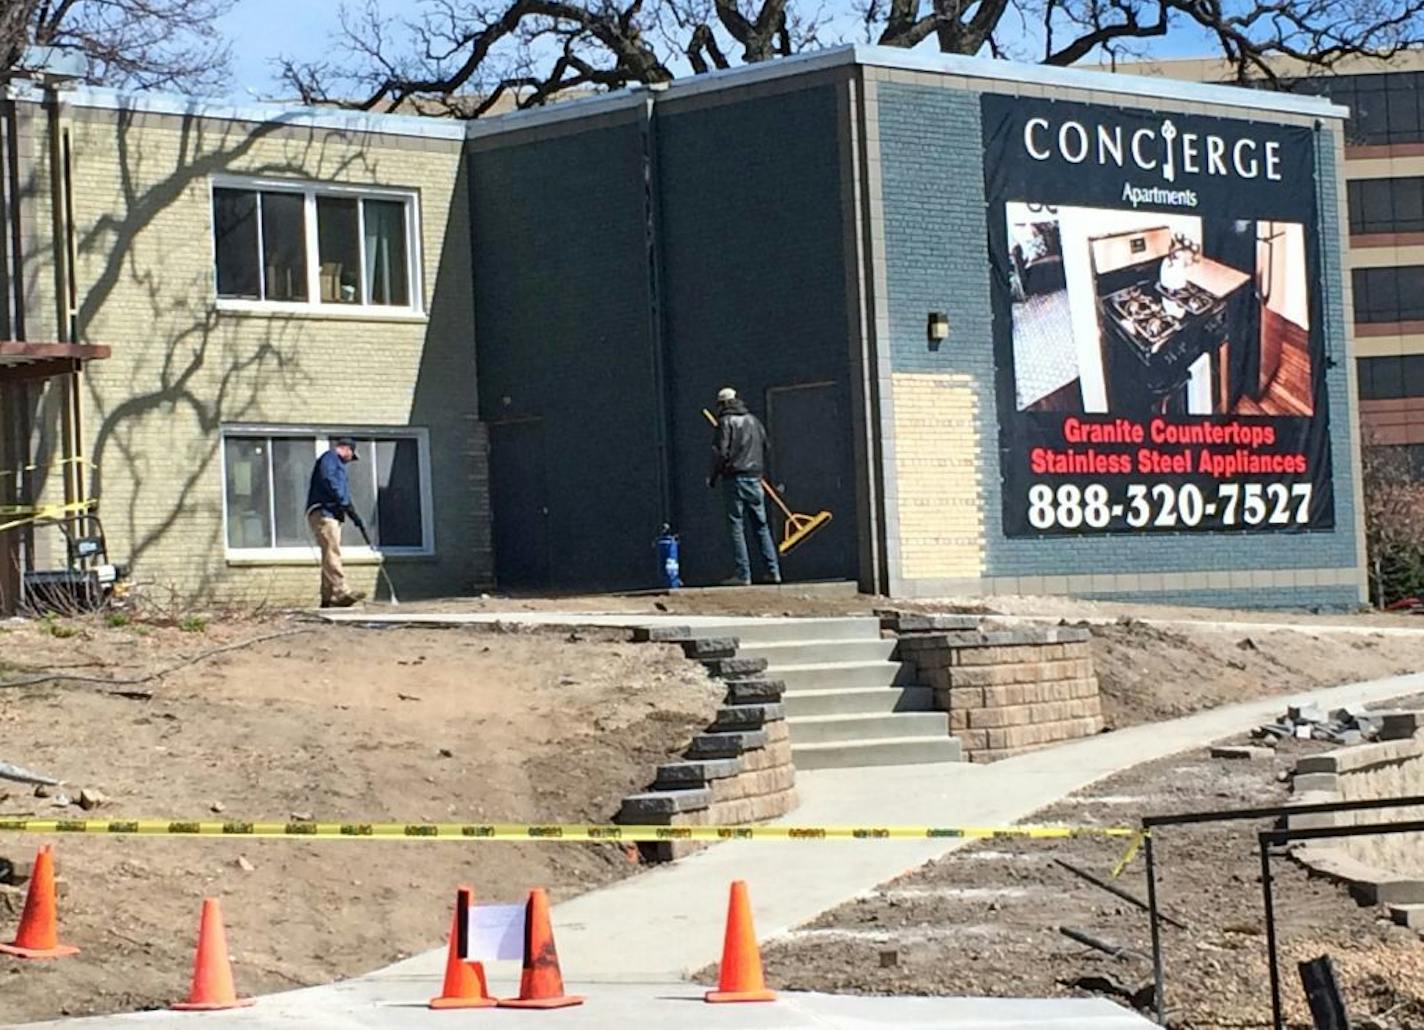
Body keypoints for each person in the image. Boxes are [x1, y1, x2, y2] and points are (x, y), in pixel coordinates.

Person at [708, 387, 781, 586]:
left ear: (722, 404)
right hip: (755, 479)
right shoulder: (754, 421)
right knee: (761, 526)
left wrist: (713, 477)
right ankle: (773, 571)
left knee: (736, 526)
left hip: (735, 478)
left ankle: (743, 574)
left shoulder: (725, 422)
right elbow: (765, 445)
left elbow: (721, 453)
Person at [305, 437, 368, 608]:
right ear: (347, 449)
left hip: (331, 513)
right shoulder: (330, 458)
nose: (350, 461)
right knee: (333, 551)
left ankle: (328, 597)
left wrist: (353, 514)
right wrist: (345, 503)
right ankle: (341, 591)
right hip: (324, 512)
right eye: (351, 456)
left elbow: (342, 493)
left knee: (328, 553)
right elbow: (331, 482)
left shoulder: (335, 463)